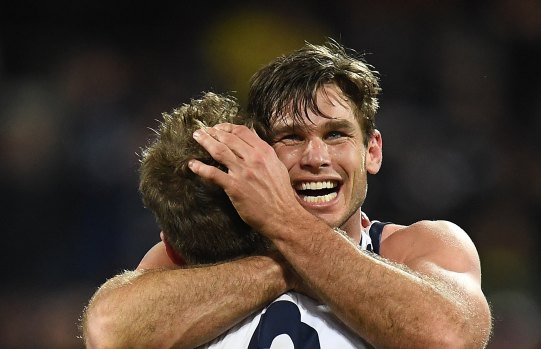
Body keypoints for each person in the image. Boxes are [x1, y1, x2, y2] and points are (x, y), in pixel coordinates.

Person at [83, 39, 492, 348]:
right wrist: (288, 263)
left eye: (336, 135)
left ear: (372, 151)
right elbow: (109, 330)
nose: (316, 157)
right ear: (260, 156)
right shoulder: (208, 254)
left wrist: (285, 226)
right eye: (291, 138)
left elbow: (449, 337)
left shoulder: (419, 246)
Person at [82, 91, 371, 348]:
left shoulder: (155, 308)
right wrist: (302, 259)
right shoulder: (389, 259)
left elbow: (107, 327)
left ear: (170, 246)